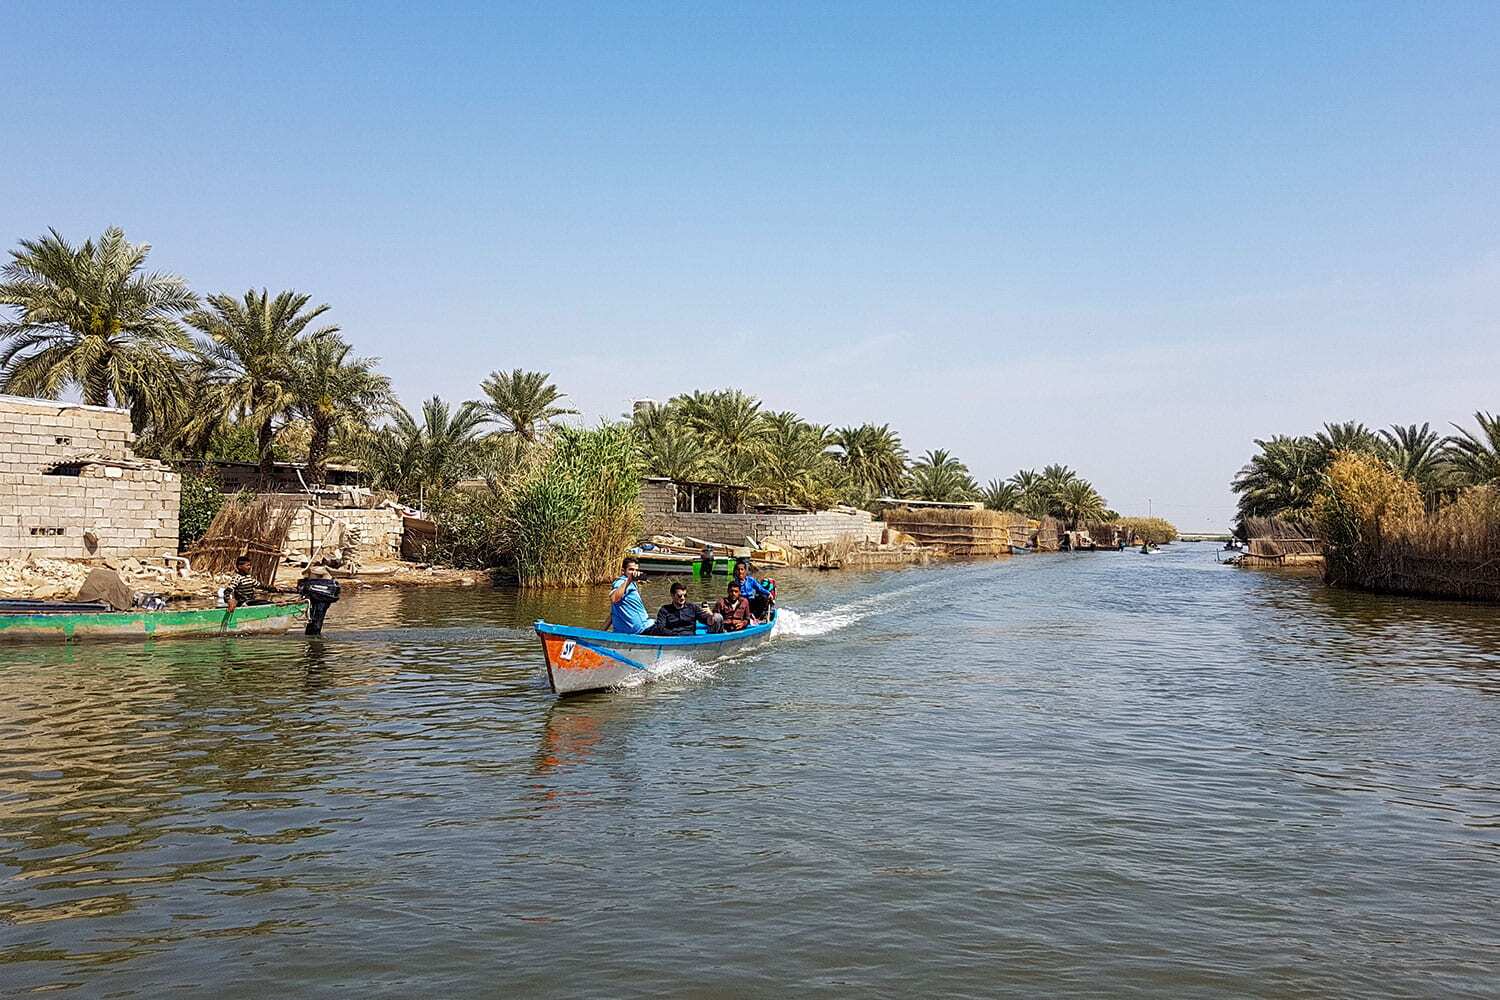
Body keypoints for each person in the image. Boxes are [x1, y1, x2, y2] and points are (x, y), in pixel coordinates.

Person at [644, 581, 720, 636]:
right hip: (673, 638)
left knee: (718, 617)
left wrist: (710, 615)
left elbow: (708, 622)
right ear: (672, 595)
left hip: (690, 638)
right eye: (679, 596)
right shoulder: (664, 610)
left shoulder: (692, 608)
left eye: (685, 595)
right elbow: (660, 628)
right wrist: (674, 634)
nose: (683, 598)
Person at [609, 557, 652, 634]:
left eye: (636, 570)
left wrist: (600, 633)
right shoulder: (621, 582)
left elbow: (613, 613)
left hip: (642, 627)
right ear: (623, 571)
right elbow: (613, 598)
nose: (634, 573)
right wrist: (629, 579)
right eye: (631, 569)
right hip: (642, 629)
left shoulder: (631, 583)